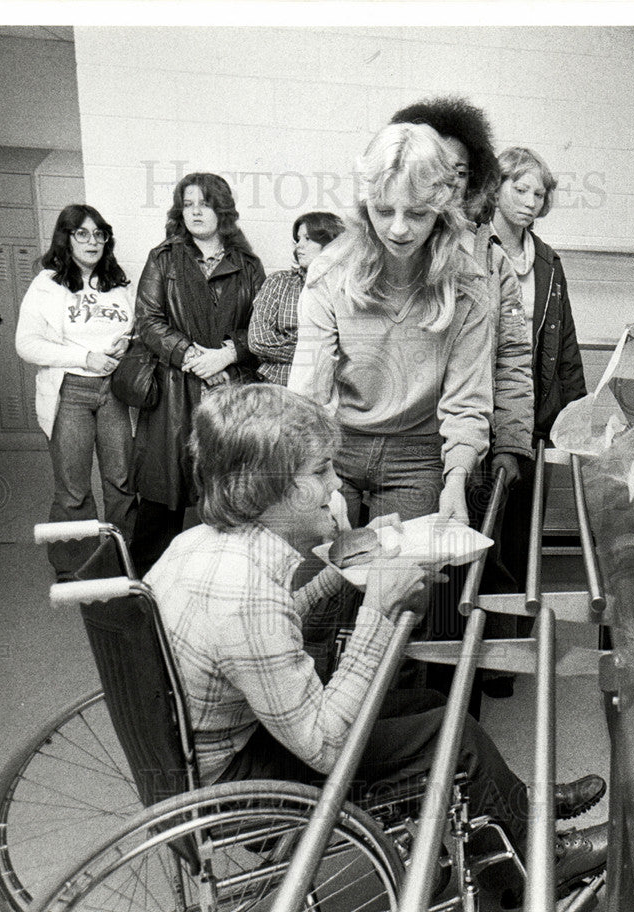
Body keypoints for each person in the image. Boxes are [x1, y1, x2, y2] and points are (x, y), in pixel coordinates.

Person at [146, 383, 607, 897]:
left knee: (426, 702)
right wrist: (378, 609)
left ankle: (515, 808)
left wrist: (343, 570)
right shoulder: (247, 594)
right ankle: (537, 871)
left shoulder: (198, 547)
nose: (336, 483)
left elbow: (257, 642)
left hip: (206, 754)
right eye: (321, 470)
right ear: (272, 487)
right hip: (241, 785)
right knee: (453, 736)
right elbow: (325, 748)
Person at [289, 122, 493, 531]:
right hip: (335, 447)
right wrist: (306, 469)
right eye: (384, 211)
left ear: (441, 210)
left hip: (418, 457)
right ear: (366, 208)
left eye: (417, 213)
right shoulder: (329, 274)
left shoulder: (468, 286)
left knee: (401, 584)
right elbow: (309, 389)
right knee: (322, 575)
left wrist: (455, 480)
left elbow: (466, 402)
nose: (399, 228)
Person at [389, 97, 534, 490]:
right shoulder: (393, 247)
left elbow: (513, 359)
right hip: (397, 454)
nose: (450, 180)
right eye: (438, 166)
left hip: (472, 447)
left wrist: (511, 441)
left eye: (462, 171)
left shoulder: (493, 262)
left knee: (470, 546)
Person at [130, 172, 265, 576]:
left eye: (203, 203)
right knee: (161, 500)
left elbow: (263, 328)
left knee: (228, 492)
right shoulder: (164, 258)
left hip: (228, 392)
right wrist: (193, 356)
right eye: (187, 205)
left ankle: (220, 582)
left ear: (221, 209)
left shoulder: (248, 265)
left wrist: (227, 355)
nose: (195, 212)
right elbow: (148, 321)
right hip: (174, 391)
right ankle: (149, 592)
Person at [16, 204, 136, 579]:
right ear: (65, 238)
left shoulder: (117, 282)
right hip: (70, 391)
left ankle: (121, 563)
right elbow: (26, 344)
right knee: (73, 489)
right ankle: (75, 568)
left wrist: (125, 345)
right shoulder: (47, 284)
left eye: (98, 233)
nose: (92, 241)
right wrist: (84, 357)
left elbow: (134, 329)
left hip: (116, 390)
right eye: (82, 233)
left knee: (122, 482)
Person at [492, 147, 587, 599]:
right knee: (471, 540)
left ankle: (506, 659)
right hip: (478, 408)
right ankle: (459, 653)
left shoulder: (548, 261)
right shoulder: (470, 248)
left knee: (518, 541)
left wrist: (576, 419)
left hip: (534, 415)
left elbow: (565, 344)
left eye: (540, 192)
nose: (531, 200)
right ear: (496, 187)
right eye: (520, 188)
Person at [249, 211, 344, 386]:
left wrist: (289, 342)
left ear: (330, 242)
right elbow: (257, 341)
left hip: (329, 389)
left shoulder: (345, 288)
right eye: (298, 239)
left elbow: (350, 347)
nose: (299, 246)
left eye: (308, 239)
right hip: (277, 387)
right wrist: (317, 348)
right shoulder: (278, 282)